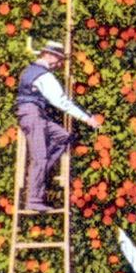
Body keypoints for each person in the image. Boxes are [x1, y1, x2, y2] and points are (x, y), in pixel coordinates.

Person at [16, 41, 100, 212]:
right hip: (33, 115)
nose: (60, 65)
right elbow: (61, 101)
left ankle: (39, 174)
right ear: (49, 56)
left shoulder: (31, 70)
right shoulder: (43, 75)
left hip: (35, 115)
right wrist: (87, 119)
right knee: (39, 158)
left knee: (63, 136)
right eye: (59, 60)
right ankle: (33, 199)